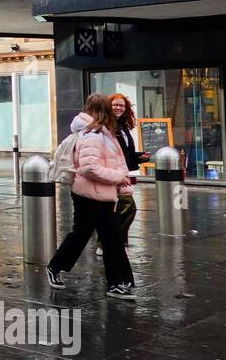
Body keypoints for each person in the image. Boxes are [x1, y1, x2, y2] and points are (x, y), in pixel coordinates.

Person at [46, 95, 136, 300]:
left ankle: (55, 266)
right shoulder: (93, 134)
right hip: (90, 194)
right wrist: (118, 177)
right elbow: (89, 168)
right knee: (110, 237)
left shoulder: (100, 132)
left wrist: (122, 182)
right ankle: (117, 282)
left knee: (85, 234)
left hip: (97, 192)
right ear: (104, 111)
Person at [96, 93, 149, 256]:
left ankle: (114, 242)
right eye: (115, 105)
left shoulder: (123, 126)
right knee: (125, 207)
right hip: (112, 173)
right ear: (108, 106)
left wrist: (139, 157)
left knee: (119, 209)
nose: (118, 108)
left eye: (121, 106)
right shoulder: (107, 126)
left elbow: (125, 152)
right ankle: (109, 243)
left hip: (122, 173)